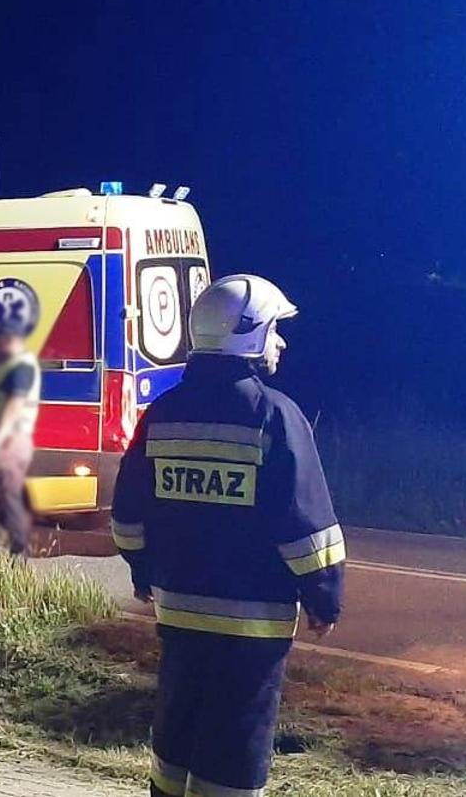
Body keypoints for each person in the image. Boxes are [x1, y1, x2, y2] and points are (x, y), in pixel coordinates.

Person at [111, 275, 345, 797]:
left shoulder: (164, 413)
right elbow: (306, 527)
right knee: (235, 741)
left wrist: (142, 570)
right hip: (252, 625)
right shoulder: (275, 417)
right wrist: (324, 598)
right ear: (251, 337)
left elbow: (128, 513)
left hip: (177, 611)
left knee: (177, 728)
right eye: (274, 330)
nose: (280, 342)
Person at [0, 306, 40, 555]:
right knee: (3, 499)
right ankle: (2, 553)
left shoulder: (20, 366)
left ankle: (17, 557)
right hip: (9, 438)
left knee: (10, 500)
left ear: (9, 338)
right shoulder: (14, 364)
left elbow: (14, 406)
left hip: (10, 440)